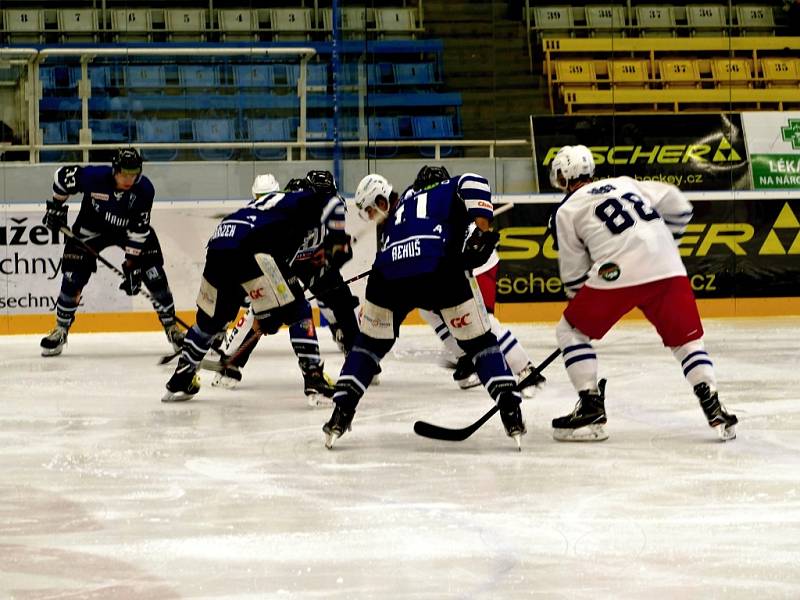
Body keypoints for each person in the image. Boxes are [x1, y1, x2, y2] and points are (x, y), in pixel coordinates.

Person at [322, 166, 526, 449]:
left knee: (367, 347)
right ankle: (510, 409)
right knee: (481, 344)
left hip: (388, 276)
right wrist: (482, 229)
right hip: (439, 270)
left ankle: (340, 413)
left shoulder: (402, 203)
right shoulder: (446, 189)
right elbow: (473, 181)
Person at [547, 145, 738, 442]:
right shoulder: (627, 183)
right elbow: (679, 204)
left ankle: (590, 407)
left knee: (569, 331)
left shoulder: (567, 209)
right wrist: (664, 243)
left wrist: (582, 311)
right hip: (668, 267)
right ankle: (713, 405)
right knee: (686, 341)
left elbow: (573, 274)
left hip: (617, 270)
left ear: (564, 176)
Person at [162, 170, 358, 403]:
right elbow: (277, 264)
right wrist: (273, 310)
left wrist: (267, 309)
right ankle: (314, 378)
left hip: (219, 244)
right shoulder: (308, 204)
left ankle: (181, 379)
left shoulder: (281, 200)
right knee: (298, 311)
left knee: (209, 322)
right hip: (248, 252)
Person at [40, 148, 184, 356]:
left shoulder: (144, 190)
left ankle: (172, 328)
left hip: (129, 232)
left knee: (154, 274)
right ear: (114, 170)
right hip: (90, 229)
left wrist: (132, 264)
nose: (128, 179)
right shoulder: (93, 177)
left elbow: (139, 230)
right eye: (124, 173)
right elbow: (60, 176)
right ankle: (61, 330)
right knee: (73, 277)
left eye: (133, 174)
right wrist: (56, 207)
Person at [418, 224, 545, 397]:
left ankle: (526, 371)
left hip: (477, 262)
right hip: (451, 263)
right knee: (427, 308)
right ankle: (465, 357)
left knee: (484, 322)